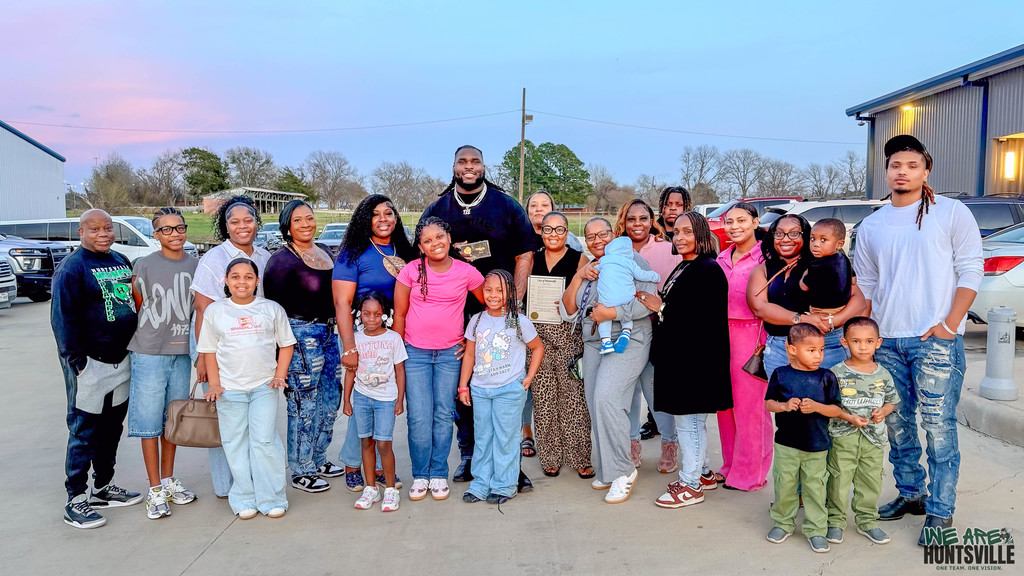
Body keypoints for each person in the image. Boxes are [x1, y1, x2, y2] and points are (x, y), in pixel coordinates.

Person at [853, 134, 983, 546]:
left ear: (926, 170)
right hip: (887, 340)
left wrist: (949, 325)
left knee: (938, 426)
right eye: (895, 165)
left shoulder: (951, 212)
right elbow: (867, 284)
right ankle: (911, 494)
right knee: (896, 423)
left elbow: (971, 268)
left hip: (935, 340)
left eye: (912, 165)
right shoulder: (873, 225)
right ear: (886, 171)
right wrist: (862, 332)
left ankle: (941, 511)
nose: (902, 172)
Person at [421, 145, 540, 491]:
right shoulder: (438, 209)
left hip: (500, 310)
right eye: (463, 161)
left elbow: (525, 254)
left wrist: (513, 303)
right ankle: (470, 455)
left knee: (504, 387)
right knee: (467, 388)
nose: (469, 166)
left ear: (484, 166)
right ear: (453, 166)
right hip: (457, 316)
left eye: (475, 161)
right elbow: (423, 260)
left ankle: (510, 465)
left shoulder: (506, 206)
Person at [52, 209, 142, 529]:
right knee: (84, 431)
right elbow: (62, 318)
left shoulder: (120, 260)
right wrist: (76, 362)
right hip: (91, 365)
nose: (103, 234)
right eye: (94, 229)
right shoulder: (72, 268)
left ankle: (103, 487)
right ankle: (76, 499)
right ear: (81, 232)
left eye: (107, 228)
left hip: (121, 361)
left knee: (111, 428)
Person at [636, 212, 731, 508]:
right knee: (691, 423)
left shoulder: (708, 270)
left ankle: (690, 485)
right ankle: (702, 473)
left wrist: (661, 306)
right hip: (682, 359)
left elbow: (702, 319)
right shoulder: (686, 266)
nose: (679, 237)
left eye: (687, 232)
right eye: (676, 232)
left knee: (689, 424)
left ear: (701, 235)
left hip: (696, 363)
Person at [560, 217, 656, 504]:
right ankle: (607, 468)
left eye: (602, 234)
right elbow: (568, 308)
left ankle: (623, 471)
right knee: (595, 403)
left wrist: (612, 314)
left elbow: (647, 300)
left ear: (613, 234)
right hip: (594, 342)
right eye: (590, 237)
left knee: (607, 397)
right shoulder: (591, 266)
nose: (597, 240)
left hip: (630, 337)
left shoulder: (632, 259)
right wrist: (579, 276)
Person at [393, 216, 485, 502]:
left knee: (443, 415)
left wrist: (470, 341)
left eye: (439, 237)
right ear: (420, 247)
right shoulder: (410, 271)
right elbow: (400, 315)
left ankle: (438, 474)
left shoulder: (467, 272)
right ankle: (421, 475)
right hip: (415, 353)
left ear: (449, 239)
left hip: (450, 355)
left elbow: (491, 304)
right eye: (427, 240)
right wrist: (396, 353)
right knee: (419, 416)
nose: (435, 244)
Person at [198, 259, 295, 519]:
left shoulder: (271, 309)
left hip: (263, 386)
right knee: (235, 443)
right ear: (226, 281)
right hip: (229, 390)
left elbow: (286, 344)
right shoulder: (215, 311)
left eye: (248, 276)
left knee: (264, 441)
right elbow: (209, 351)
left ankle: (272, 498)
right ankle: (244, 498)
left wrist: (279, 375)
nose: (242, 282)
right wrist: (215, 384)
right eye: (235, 276)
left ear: (257, 280)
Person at [332, 194, 416, 492]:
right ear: (365, 219)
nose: (383, 219)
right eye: (375, 214)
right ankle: (353, 464)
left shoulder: (404, 250)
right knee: (364, 400)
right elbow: (342, 303)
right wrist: (349, 346)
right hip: (362, 333)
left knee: (384, 399)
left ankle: (379, 468)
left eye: (389, 213)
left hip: (393, 335)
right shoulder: (353, 253)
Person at [191, 195, 271, 499]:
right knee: (226, 420)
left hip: (253, 347)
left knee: (254, 421)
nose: (242, 226)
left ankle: (253, 480)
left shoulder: (264, 257)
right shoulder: (214, 259)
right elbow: (202, 309)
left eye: (248, 220)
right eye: (234, 221)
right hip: (218, 349)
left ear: (256, 223)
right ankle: (227, 486)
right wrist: (202, 357)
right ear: (225, 226)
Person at [263, 200, 343, 494]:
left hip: (330, 333)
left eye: (309, 218)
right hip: (300, 335)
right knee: (303, 403)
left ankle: (319, 458)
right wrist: (282, 350)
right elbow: (274, 311)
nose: (306, 224)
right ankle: (301, 469)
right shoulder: (280, 261)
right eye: (298, 220)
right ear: (287, 226)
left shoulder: (325, 251)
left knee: (330, 400)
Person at [126, 207, 198, 520]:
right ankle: (154, 489)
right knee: (149, 423)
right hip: (149, 352)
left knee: (172, 421)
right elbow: (137, 304)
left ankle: (168, 481)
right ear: (156, 235)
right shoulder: (144, 265)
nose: (174, 234)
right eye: (166, 229)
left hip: (181, 353)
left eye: (179, 227)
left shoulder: (196, 265)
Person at [458, 270, 544, 505]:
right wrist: (464, 386)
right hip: (480, 389)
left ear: (510, 293)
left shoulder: (519, 321)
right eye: (488, 290)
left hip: (509, 389)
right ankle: (480, 484)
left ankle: (504, 485)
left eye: (500, 290)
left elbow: (538, 348)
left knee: (506, 439)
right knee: (483, 437)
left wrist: (529, 376)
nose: (493, 295)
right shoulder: (476, 320)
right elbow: (469, 355)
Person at [746, 214, 866, 379]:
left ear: (806, 235)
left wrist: (834, 320)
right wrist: (803, 319)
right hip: (781, 348)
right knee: (786, 395)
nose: (785, 239)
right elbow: (759, 307)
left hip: (825, 345)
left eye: (794, 233)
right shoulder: (764, 269)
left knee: (829, 394)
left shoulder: (824, 262)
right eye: (779, 233)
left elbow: (859, 300)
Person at [614, 199, 680, 474]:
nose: (637, 224)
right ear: (623, 222)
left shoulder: (667, 249)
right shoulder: (615, 249)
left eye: (643, 218)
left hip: (657, 328)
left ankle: (669, 442)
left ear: (651, 221)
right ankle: (632, 443)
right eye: (631, 219)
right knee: (628, 391)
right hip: (624, 329)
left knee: (655, 390)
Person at [764, 323, 843, 554]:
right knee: (785, 484)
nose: (818, 355)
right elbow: (769, 403)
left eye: (821, 350)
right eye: (811, 350)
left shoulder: (826, 377)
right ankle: (782, 523)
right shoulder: (781, 374)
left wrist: (817, 407)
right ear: (792, 349)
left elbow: (836, 410)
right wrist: (784, 406)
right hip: (786, 443)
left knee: (815, 488)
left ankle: (816, 529)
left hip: (817, 445)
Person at [524, 211, 592, 478]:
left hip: (567, 334)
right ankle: (550, 455)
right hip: (537, 336)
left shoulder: (580, 259)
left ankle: (580, 456)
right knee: (543, 399)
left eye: (560, 229)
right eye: (548, 229)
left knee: (573, 398)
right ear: (541, 232)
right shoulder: (532, 258)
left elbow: (585, 297)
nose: (554, 234)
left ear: (567, 232)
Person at [715, 202, 773, 491]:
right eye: (729, 221)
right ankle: (730, 465)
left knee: (750, 408)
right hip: (720, 335)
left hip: (752, 336)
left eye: (741, 220)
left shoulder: (765, 257)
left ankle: (751, 472)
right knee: (725, 407)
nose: (734, 226)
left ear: (755, 222)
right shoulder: (721, 258)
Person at [825, 316, 898, 546]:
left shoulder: (883, 374)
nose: (863, 347)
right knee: (839, 479)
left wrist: (883, 412)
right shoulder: (836, 373)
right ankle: (835, 521)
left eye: (869, 341)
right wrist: (846, 417)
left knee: (870, 480)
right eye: (856, 341)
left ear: (878, 343)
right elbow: (829, 406)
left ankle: (867, 521)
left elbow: (892, 401)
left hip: (874, 439)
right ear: (844, 342)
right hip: (843, 437)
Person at [521, 190, 581, 457]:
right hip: (534, 327)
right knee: (536, 390)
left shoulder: (575, 249)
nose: (538, 209)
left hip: (564, 329)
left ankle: (572, 448)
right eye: (533, 205)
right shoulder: (526, 247)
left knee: (568, 393)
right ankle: (538, 444)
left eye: (544, 204)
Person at [342, 292, 407, 512]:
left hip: (386, 399)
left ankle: (390, 489)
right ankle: (370, 488)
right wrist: (347, 400)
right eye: (367, 314)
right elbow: (350, 371)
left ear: (384, 315)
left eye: (377, 314)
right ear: (360, 314)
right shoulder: (355, 339)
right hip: (362, 397)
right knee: (366, 441)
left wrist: (400, 399)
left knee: (383, 443)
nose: (372, 319)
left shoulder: (393, 338)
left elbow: (399, 370)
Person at [594, 235, 660, 354]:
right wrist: (656, 276)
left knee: (604, 317)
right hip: (626, 297)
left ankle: (606, 342)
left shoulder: (604, 260)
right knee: (627, 311)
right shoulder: (630, 262)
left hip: (607, 299)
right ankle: (626, 332)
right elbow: (642, 275)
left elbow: (594, 270)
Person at [799, 218, 854, 325]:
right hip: (843, 308)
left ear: (839, 244)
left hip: (821, 312)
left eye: (823, 240)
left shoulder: (817, 265)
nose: (816, 244)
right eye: (812, 239)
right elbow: (853, 281)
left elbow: (803, 286)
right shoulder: (844, 258)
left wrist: (805, 273)